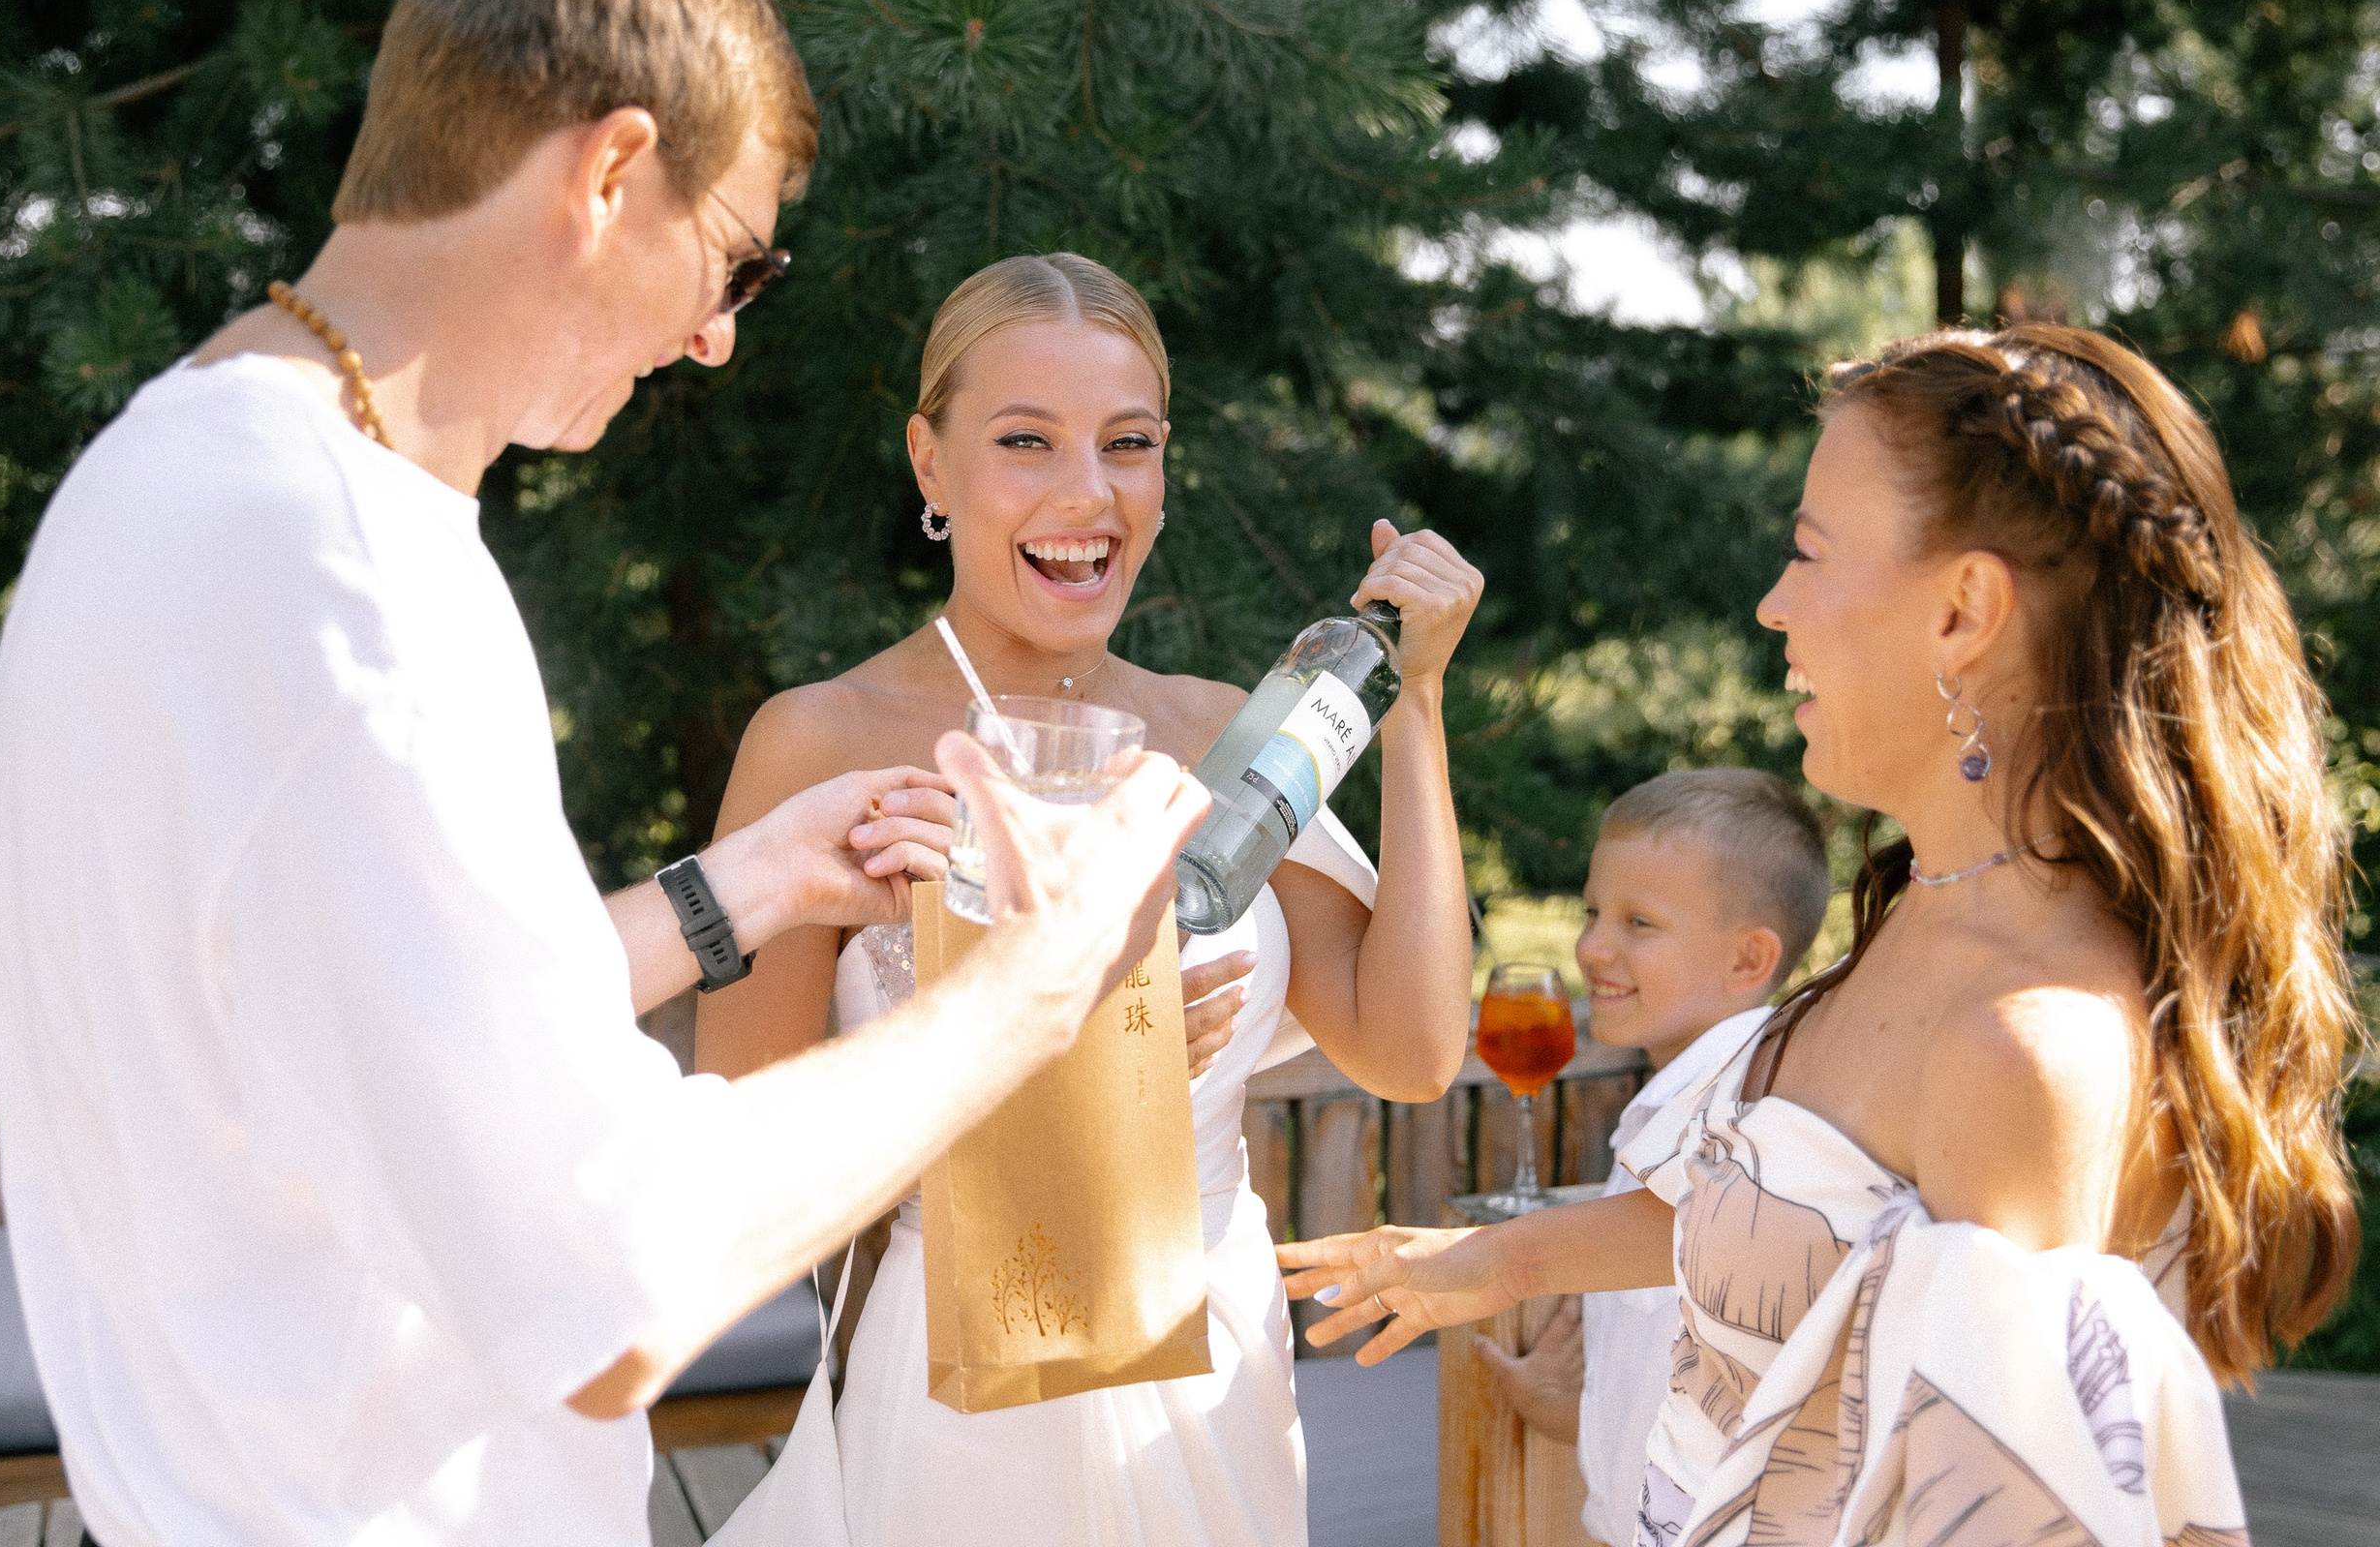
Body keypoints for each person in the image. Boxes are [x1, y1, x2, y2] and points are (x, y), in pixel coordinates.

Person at [0, 0, 1211, 1547]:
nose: (714, 339)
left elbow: (340, 1023)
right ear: (615, 171)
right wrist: (1035, 989)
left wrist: (748, 889)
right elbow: (611, 1282)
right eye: (736, 265)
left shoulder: (162, 481)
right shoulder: (351, 589)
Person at [1278, 325, 2363, 1546]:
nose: (1771, 603)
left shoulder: (2022, 1052)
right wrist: (1495, 1264)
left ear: (1962, 611)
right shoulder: (1932, 906)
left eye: (1808, 552)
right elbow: (1817, 1231)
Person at [697, 251, 1485, 1547]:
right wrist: (1061, 1063)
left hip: (1213, 1378)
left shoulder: (1229, 734)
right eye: (1026, 441)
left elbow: (1409, 1049)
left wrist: (1420, 707)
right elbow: (742, 1156)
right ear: (931, 464)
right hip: (967, 1395)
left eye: (1129, 444)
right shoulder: (822, 740)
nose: (1088, 493)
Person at [1472, 769, 1828, 1547]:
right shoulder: (1667, 1111)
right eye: (1595, 911)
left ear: (1747, 961)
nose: (1592, 946)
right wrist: (1568, 1406)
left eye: (1639, 923)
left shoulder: (1737, 1129)